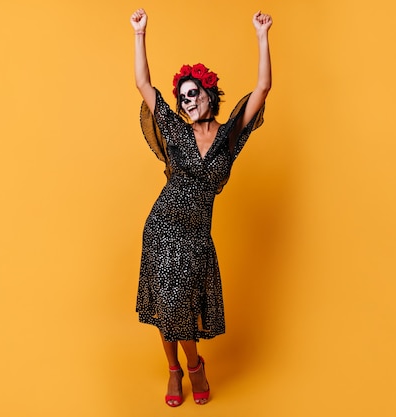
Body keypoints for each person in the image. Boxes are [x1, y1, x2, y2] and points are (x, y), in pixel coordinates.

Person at [130, 7, 272, 407]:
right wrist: (140, 34)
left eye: (195, 93)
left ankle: (193, 365)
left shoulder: (229, 136)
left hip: (196, 234)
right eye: (184, 96)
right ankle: (178, 371)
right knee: (165, 303)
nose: (188, 101)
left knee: (182, 303)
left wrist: (262, 37)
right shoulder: (175, 129)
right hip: (162, 226)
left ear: (210, 93)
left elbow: (262, 89)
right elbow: (143, 82)